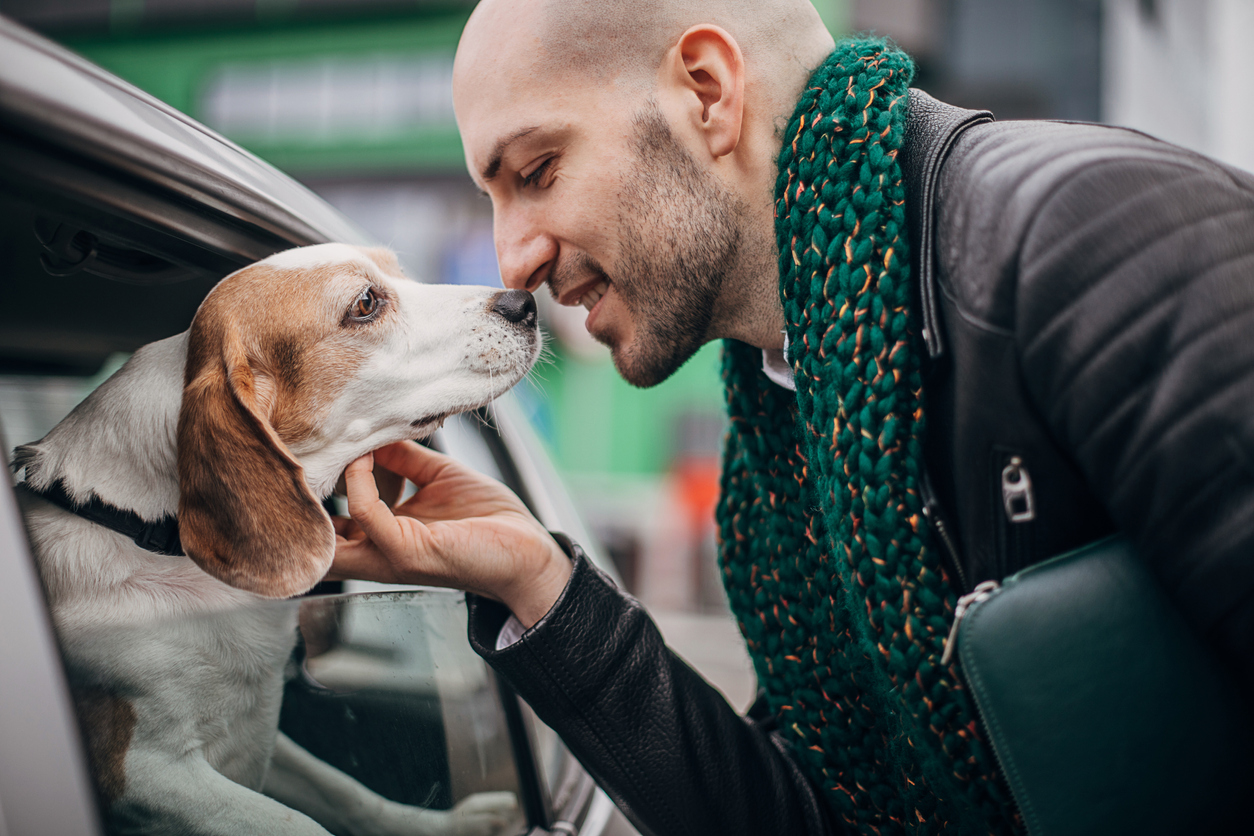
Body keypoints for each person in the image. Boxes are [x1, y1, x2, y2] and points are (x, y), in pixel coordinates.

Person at [328, 1, 1254, 833]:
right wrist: (541, 586)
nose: (512, 259)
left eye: (537, 170)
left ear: (708, 91)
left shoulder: (1085, 238)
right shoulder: (786, 430)